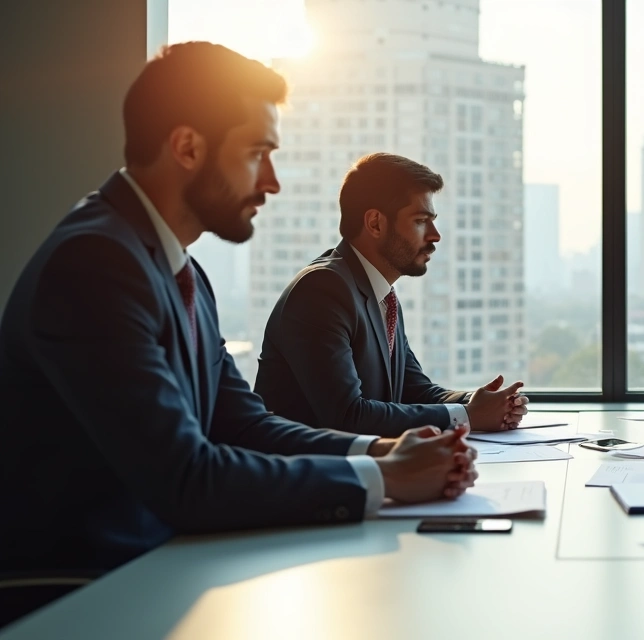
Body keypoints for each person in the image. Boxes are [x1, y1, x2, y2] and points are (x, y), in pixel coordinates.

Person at [0, 42, 477, 575]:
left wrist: (381, 453)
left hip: (158, 563)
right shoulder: (94, 264)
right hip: (79, 589)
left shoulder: (181, 270)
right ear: (187, 147)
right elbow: (185, 476)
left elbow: (246, 425)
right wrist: (385, 480)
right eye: (256, 154)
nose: (271, 181)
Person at [254, 153, 529, 436]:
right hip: (309, 473)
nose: (435, 235)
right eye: (421, 220)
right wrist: (467, 416)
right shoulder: (322, 290)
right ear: (375, 223)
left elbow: (414, 391)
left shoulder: (380, 295)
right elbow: (347, 415)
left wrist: (481, 403)